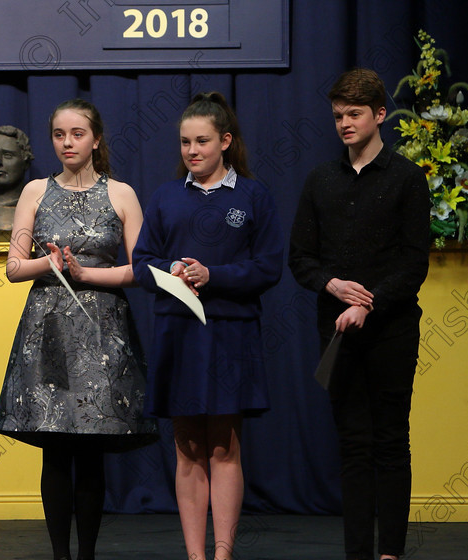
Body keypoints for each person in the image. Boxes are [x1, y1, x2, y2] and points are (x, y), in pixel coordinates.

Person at [0, 98, 157, 560]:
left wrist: (85, 275)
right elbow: (13, 267)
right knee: (56, 446)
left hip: (104, 328)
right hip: (48, 331)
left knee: (92, 449)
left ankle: (87, 554)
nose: (68, 142)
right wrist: (51, 262)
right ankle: (60, 556)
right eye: (60, 135)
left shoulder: (120, 193)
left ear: (96, 139)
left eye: (77, 133)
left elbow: (141, 270)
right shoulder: (34, 192)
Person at [132, 92, 284, 560]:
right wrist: (175, 270)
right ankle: (196, 555)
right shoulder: (165, 197)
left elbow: (269, 266)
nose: (192, 151)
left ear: (225, 141)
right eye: (184, 143)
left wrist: (213, 275)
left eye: (201, 142)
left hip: (229, 332)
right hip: (178, 331)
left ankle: (223, 553)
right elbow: (141, 263)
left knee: (224, 447)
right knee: (187, 447)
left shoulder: (253, 196)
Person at [288, 68, 430, 560]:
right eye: (337, 116)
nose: (344, 123)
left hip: (391, 329)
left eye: (354, 114)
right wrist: (331, 284)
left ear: (379, 115)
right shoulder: (321, 179)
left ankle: (390, 552)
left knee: (391, 441)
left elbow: (414, 262)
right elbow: (300, 258)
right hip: (336, 332)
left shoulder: (408, 179)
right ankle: (358, 554)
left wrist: (368, 302)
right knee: (352, 446)